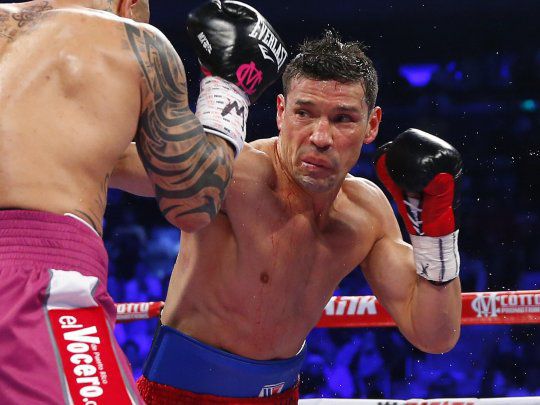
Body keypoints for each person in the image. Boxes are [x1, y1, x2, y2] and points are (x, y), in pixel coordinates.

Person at [114, 29, 463, 403]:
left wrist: (435, 235)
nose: (320, 137)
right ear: (281, 112)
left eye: (343, 118)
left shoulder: (367, 213)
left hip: (281, 396)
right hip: (178, 395)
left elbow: (435, 335)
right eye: (304, 113)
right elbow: (109, 163)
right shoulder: (233, 170)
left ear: (372, 125)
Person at [0, 0, 284, 402]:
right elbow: (194, 199)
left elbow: (105, 159)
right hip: (33, 275)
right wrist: (229, 88)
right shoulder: (134, 40)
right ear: (129, 5)